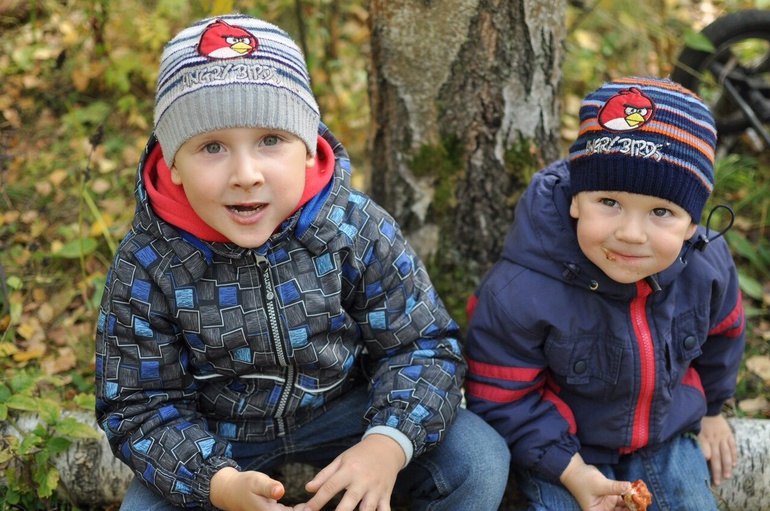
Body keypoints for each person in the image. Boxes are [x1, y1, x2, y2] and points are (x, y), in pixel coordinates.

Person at [94, 13, 509, 511]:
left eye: (270, 140)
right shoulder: (149, 260)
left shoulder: (352, 226)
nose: (246, 174)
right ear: (173, 163)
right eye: (212, 147)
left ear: (308, 148)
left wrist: (386, 444)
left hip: (346, 409)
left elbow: (421, 344)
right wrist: (217, 484)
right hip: (216, 435)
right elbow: (139, 403)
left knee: (479, 461)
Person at [463, 76, 745, 511]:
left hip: (667, 436)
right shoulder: (521, 290)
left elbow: (724, 337)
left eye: (661, 211)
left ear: (691, 224)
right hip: (563, 449)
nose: (631, 233)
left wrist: (713, 411)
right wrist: (571, 470)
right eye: (609, 203)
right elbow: (502, 395)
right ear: (576, 199)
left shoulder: (708, 267)